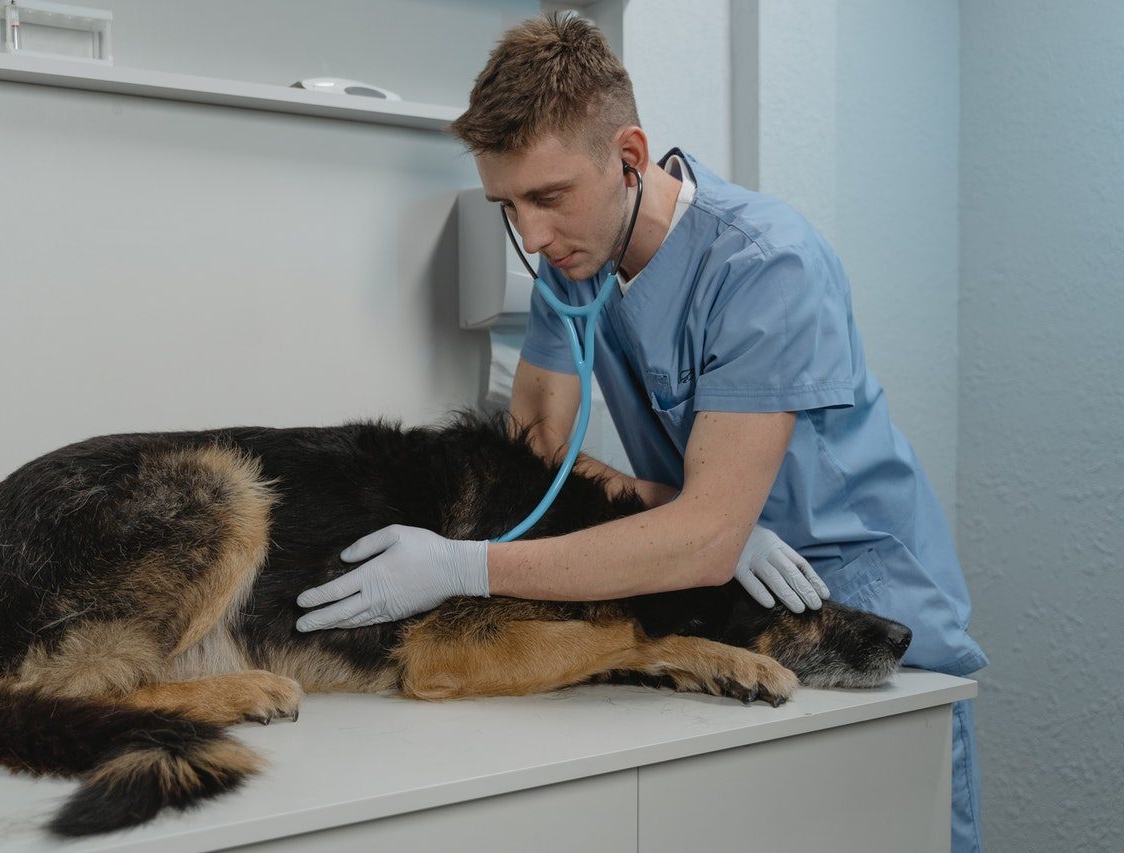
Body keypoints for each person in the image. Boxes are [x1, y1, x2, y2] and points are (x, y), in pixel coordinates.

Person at [295, 12, 986, 852]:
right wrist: (677, 504)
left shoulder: (766, 266)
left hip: (857, 614)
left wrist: (460, 566)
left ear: (628, 156)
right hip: (715, 600)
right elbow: (539, 458)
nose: (535, 237)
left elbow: (700, 542)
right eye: (508, 205)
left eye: (549, 197)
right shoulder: (574, 266)